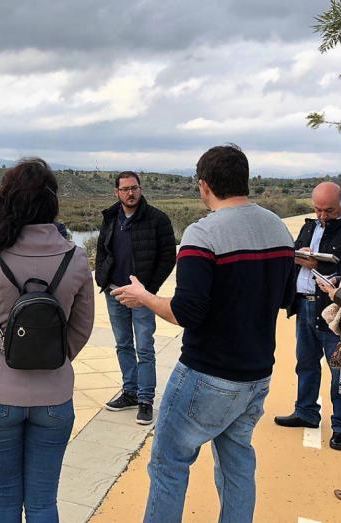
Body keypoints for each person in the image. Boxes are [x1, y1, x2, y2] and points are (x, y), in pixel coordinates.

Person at [113, 144, 295, 522]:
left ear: (204, 185)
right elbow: (284, 297)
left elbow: (185, 313)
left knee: (168, 464)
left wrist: (144, 297)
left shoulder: (203, 233)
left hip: (207, 373)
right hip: (257, 374)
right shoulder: (278, 227)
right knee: (237, 464)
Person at [0, 158, 95, 522]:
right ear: (52, 203)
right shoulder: (75, 258)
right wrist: (55, 358)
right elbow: (82, 327)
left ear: (8, 201)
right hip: (54, 395)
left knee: (2, 500)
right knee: (43, 502)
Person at [94, 171, 175, 424]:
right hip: (115, 291)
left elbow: (168, 257)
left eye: (135, 188)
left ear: (140, 189)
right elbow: (102, 249)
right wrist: (103, 280)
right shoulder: (111, 217)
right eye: (125, 189)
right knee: (123, 344)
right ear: (117, 192)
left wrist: (147, 291)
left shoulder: (157, 219)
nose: (131, 193)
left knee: (144, 347)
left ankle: (145, 399)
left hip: (141, 296)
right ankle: (130, 392)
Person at [274, 182, 341, 451]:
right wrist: (296, 256)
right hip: (304, 306)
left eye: (329, 210)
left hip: (334, 311)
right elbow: (291, 253)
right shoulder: (308, 226)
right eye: (318, 209)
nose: (323, 216)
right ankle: (305, 412)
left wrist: (320, 263)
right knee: (305, 363)